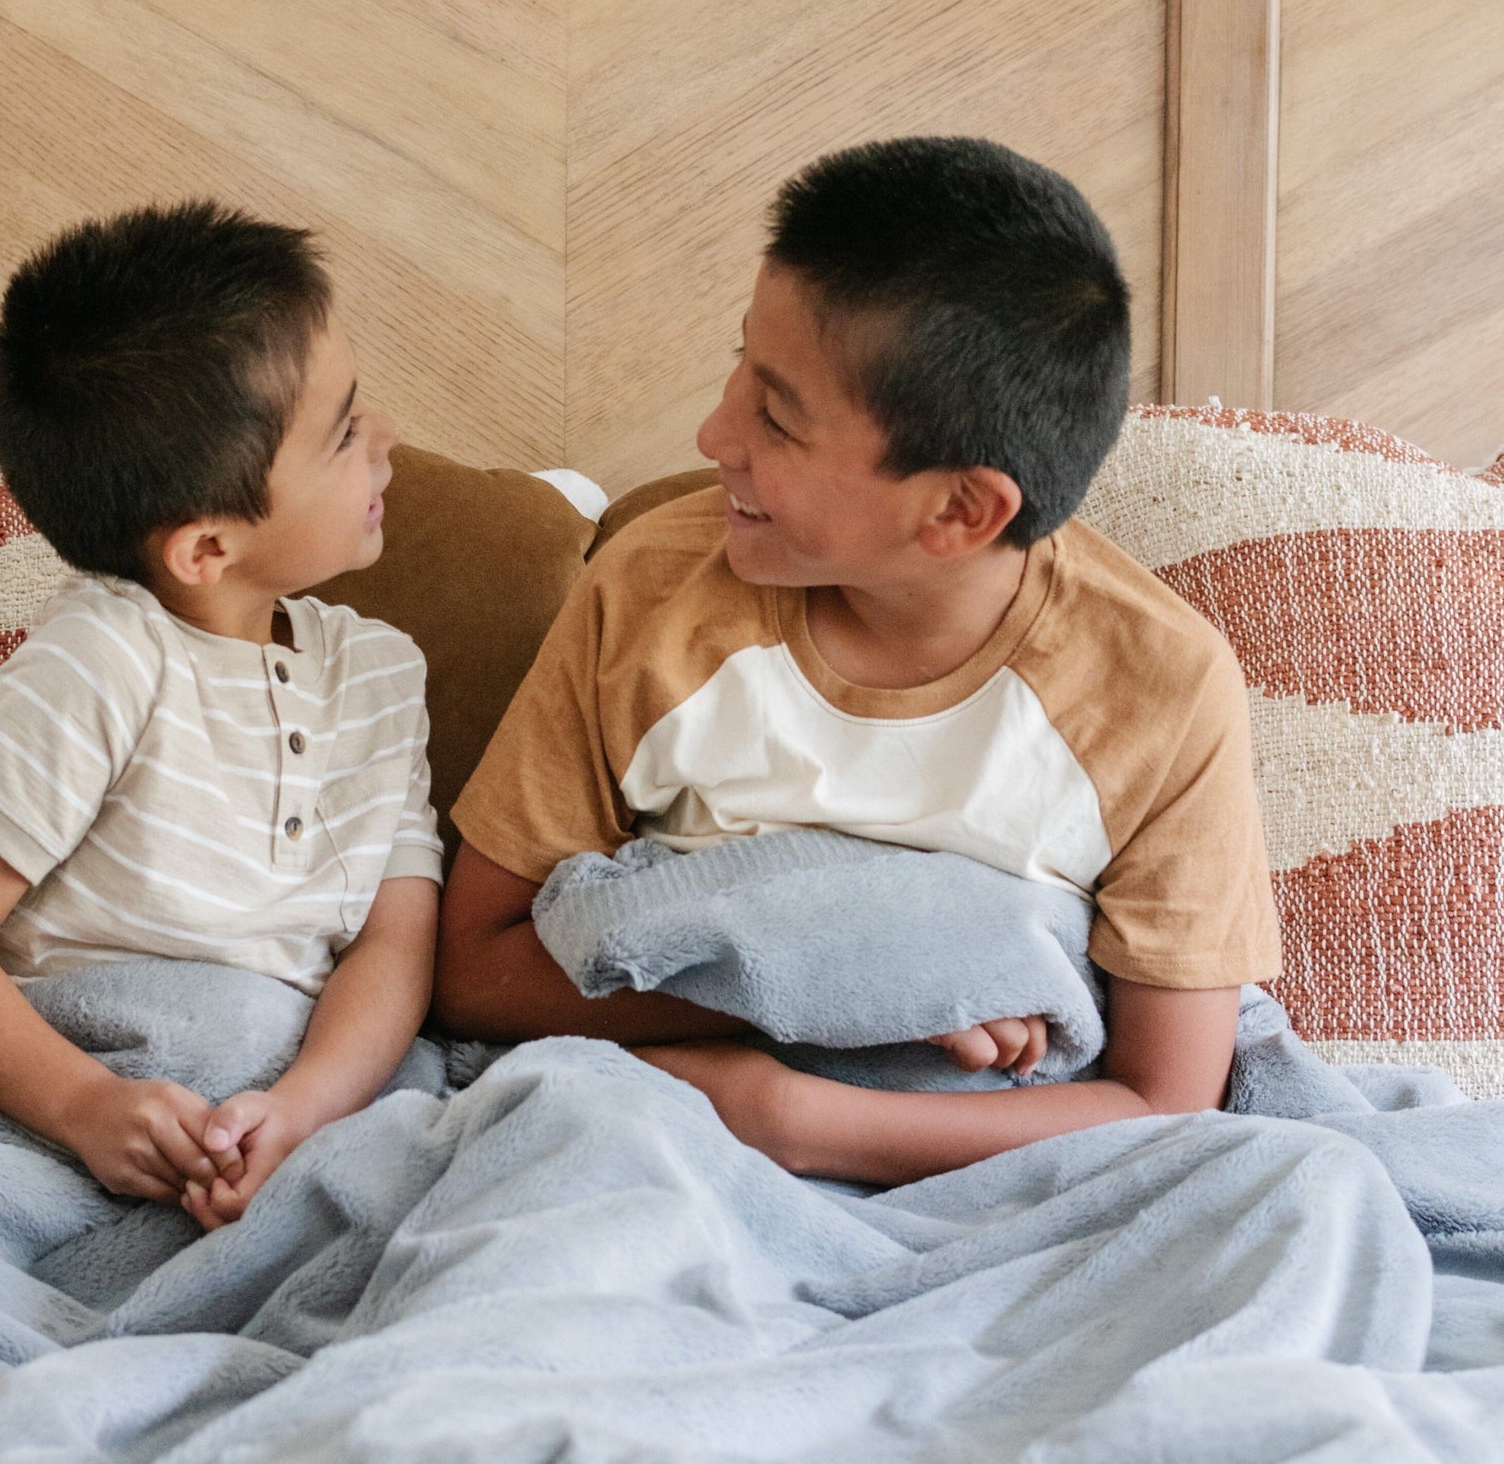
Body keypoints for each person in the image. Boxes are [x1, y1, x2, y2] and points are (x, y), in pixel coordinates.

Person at [434, 138, 1279, 1186]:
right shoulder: (653, 593)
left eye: (775, 416)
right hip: (663, 1139)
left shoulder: (1156, 686)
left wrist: (793, 1113)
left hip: (976, 1176)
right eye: (737, 363)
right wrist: (861, 978)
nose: (712, 432)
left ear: (958, 510)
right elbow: (471, 968)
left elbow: (1163, 1102)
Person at [0, 202, 440, 1229]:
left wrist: (301, 1109)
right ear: (206, 548)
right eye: (345, 430)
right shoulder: (102, 660)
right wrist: (86, 1105)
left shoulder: (381, 676)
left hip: (298, 1102)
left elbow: (393, 949)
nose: (387, 438)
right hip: (82, 1101)